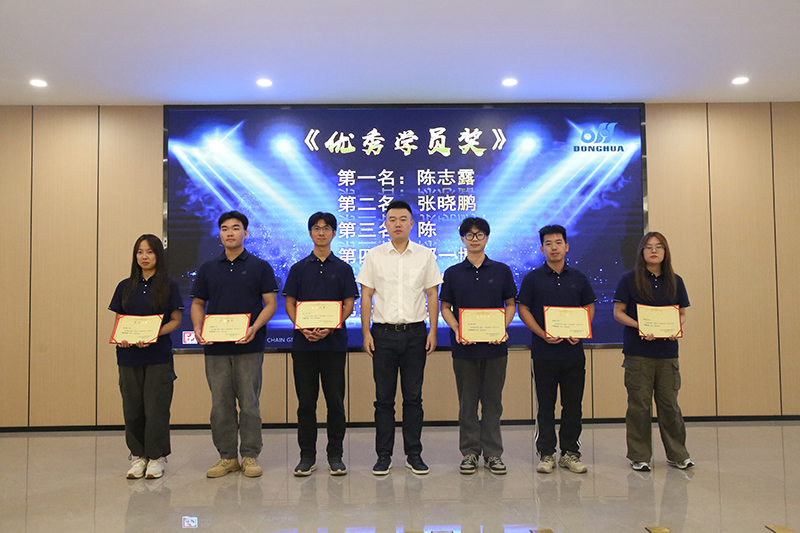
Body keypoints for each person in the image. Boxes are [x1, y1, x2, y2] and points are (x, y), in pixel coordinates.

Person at [357, 200, 443, 475]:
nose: (397, 224)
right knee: (383, 399)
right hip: (382, 334)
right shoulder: (374, 255)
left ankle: (413, 454)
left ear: (412, 223)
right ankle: (383, 456)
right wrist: (366, 333)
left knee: (413, 398)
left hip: (416, 334)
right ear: (385, 224)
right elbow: (366, 295)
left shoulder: (425, 255)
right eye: (392, 219)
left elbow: (432, 294)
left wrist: (433, 331)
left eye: (403, 219)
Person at [190, 211, 278, 478]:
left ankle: (250, 456)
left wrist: (254, 327)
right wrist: (198, 327)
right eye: (225, 228)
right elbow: (197, 303)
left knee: (249, 403)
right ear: (220, 233)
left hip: (249, 345)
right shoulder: (208, 268)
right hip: (215, 347)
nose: (230, 232)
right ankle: (227, 457)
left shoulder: (260, 266)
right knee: (220, 405)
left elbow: (270, 304)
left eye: (236, 228)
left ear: (245, 233)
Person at [283, 212, 359, 477]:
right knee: (306, 403)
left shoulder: (343, 268)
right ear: (310, 233)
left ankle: (335, 456)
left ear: (334, 233)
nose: (321, 232)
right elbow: (289, 303)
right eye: (316, 228)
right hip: (303, 345)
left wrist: (331, 325)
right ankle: (307, 456)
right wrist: (301, 325)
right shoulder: (299, 268)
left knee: (335, 403)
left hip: (334, 344)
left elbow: (349, 304)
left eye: (326, 228)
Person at [440, 217, 517, 475]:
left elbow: (510, 304)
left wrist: (501, 327)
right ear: (463, 239)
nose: (475, 239)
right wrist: (457, 328)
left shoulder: (501, 270)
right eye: (470, 235)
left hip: (496, 348)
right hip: (464, 348)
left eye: (480, 234)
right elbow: (445, 307)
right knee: (468, 403)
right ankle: (470, 453)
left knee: (493, 402)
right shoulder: (452, 273)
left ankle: (493, 454)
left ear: (487, 238)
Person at [518, 224, 596, 474]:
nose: (554, 247)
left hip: (573, 353)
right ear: (542, 249)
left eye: (558, 242)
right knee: (545, 406)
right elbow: (523, 309)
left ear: (567, 246)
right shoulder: (532, 278)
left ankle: (571, 453)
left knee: (573, 406)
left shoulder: (579, 278)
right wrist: (542, 334)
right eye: (548, 243)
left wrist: (581, 330)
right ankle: (547, 453)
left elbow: (589, 306)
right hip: (544, 353)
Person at [613, 231, 693, 472]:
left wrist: (675, 327)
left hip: (667, 353)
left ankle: (678, 454)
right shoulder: (629, 279)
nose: (654, 251)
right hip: (638, 352)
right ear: (641, 252)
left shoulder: (675, 280)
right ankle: (640, 456)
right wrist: (640, 326)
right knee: (639, 406)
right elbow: (618, 313)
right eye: (648, 247)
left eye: (659, 247)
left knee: (670, 405)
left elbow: (681, 313)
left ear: (665, 252)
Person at [109, 234, 183, 479]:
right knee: (132, 409)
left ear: (158, 255)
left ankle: (156, 457)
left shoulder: (169, 285)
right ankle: (138, 456)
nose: (144, 256)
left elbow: (176, 321)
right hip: (128, 357)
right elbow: (120, 321)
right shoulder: (124, 286)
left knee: (156, 408)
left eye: (150, 252)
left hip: (158, 356)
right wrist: (122, 336)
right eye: (140, 252)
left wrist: (154, 334)